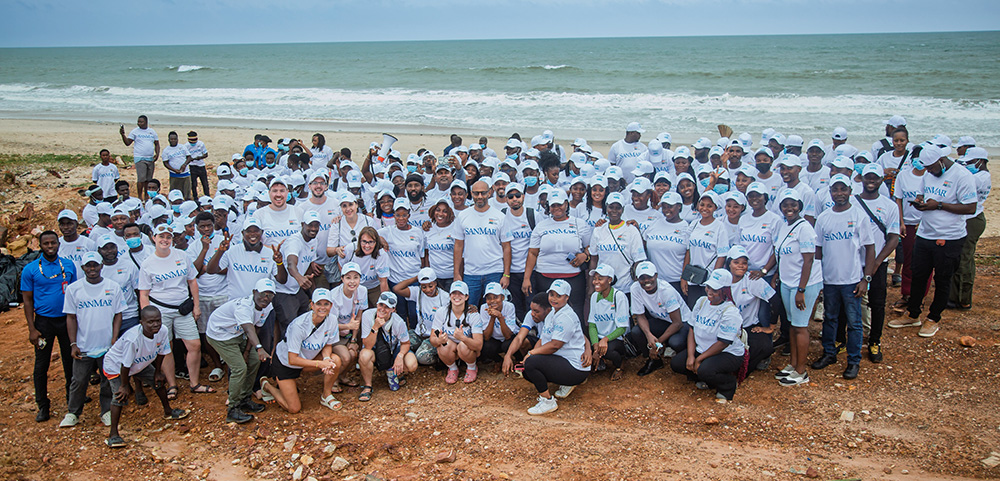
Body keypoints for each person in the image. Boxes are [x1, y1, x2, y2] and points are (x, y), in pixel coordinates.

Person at [888, 145, 977, 337]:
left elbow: (970, 207)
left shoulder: (962, 176)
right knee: (918, 274)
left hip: (949, 236)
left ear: (942, 161)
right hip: (925, 233)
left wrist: (938, 205)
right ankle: (913, 315)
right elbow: (923, 193)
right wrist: (920, 202)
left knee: (942, 279)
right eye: (925, 167)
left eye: (931, 167)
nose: (927, 171)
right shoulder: (928, 174)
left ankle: (933, 318)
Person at [811, 174, 875, 380]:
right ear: (830, 192)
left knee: (854, 323)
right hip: (829, 280)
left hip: (852, 280)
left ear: (850, 191)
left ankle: (853, 360)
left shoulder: (858, 216)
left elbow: (870, 248)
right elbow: (818, 250)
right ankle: (829, 353)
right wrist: (819, 278)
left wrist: (866, 278)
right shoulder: (823, 218)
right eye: (835, 190)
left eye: (843, 189)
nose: (839, 193)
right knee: (829, 319)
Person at [103, 306, 190, 448]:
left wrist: (157, 372)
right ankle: (113, 435)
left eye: (158, 321)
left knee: (159, 383)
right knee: (119, 396)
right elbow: (125, 365)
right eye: (150, 322)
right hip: (116, 366)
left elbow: (163, 351)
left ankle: (168, 411)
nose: (155, 324)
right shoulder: (133, 339)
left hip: (141, 362)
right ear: (141, 322)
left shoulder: (163, 331)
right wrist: (124, 385)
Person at [137, 223, 206, 399]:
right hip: (160, 311)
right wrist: (147, 317)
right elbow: (144, 293)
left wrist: (196, 305)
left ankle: (194, 382)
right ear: (154, 238)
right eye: (161, 237)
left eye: (168, 237)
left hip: (182, 308)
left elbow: (192, 281)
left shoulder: (182, 256)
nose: (165, 240)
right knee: (165, 347)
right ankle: (172, 384)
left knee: (194, 345)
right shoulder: (147, 264)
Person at [59, 252, 124, 428]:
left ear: (101, 266)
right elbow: (71, 318)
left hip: (107, 346)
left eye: (95, 265)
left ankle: (106, 412)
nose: (92, 269)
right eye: (88, 266)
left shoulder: (112, 286)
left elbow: (118, 314)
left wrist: (114, 337)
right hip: (84, 345)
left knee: (106, 380)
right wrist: (73, 344)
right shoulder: (74, 289)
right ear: (83, 268)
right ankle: (73, 413)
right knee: (78, 381)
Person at [21, 230, 78, 422]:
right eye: (46, 244)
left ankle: (72, 401)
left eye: (53, 243)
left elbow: (75, 293)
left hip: (66, 321)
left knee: (69, 362)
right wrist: (32, 328)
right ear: (40, 245)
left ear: (58, 244)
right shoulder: (30, 269)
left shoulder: (68, 266)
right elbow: (27, 300)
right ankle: (42, 405)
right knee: (41, 365)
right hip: (43, 323)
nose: (50, 247)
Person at [262, 288, 344, 413]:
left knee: (335, 360)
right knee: (293, 408)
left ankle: (326, 395)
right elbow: (292, 359)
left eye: (326, 304)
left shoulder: (331, 320)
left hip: (306, 361)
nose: (322, 308)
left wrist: (326, 359)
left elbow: (328, 344)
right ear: (312, 305)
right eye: (318, 304)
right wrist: (320, 364)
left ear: (331, 305)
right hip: (286, 364)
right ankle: (267, 386)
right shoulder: (299, 326)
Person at [670, 269, 746, 401]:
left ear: (725, 291)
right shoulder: (701, 301)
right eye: (708, 287)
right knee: (677, 364)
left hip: (726, 352)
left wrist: (699, 359)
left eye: (715, 290)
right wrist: (691, 356)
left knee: (705, 369)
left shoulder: (730, 312)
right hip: (703, 348)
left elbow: (722, 343)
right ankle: (707, 380)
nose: (709, 292)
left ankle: (727, 384)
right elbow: (692, 330)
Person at [205, 278, 274, 424]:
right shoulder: (244, 307)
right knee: (239, 368)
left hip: (236, 334)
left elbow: (256, 327)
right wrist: (259, 348)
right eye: (263, 294)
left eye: (270, 295)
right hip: (220, 335)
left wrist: (248, 351)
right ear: (254, 292)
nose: (266, 298)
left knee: (254, 360)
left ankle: (245, 399)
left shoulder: (267, 306)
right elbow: (249, 330)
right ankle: (233, 408)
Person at [772, 189, 823, 387]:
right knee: (792, 325)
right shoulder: (785, 226)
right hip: (788, 282)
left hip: (803, 285)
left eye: (793, 204)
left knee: (801, 327)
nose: (789, 208)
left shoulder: (805, 228)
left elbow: (809, 260)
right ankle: (793, 365)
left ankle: (801, 372)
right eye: (785, 205)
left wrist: (801, 290)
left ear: (800, 206)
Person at [519, 280, 590, 415]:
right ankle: (564, 383)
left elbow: (555, 345)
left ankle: (548, 401)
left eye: (559, 295)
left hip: (576, 367)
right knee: (527, 370)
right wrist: (530, 355)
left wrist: (531, 354)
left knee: (532, 363)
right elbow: (543, 339)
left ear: (567, 297)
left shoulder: (566, 316)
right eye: (552, 294)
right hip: (563, 361)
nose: (554, 298)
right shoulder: (552, 313)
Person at [854, 165, 901, 363]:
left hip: (878, 263)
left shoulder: (889, 205)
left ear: (882, 179)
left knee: (878, 303)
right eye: (867, 177)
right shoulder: (852, 202)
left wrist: (877, 262)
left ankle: (875, 341)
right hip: (853, 262)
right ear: (862, 179)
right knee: (848, 302)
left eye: (875, 177)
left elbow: (893, 237)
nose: (871, 181)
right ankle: (843, 340)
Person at [523, 190, 592, 319]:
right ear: (549, 207)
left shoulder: (579, 224)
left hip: (573, 277)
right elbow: (533, 253)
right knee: (547, 314)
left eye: (560, 204)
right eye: (553, 205)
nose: (557, 208)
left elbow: (590, 247)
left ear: (566, 204)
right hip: (545, 277)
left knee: (575, 314)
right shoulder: (541, 226)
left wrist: (584, 255)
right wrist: (527, 278)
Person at [627, 261, 689, 376]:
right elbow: (640, 315)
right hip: (663, 320)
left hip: (682, 322)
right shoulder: (635, 288)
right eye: (642, 278)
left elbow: (677, 323)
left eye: (649, 277)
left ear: (656, 275)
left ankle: (686, 357)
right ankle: (654, 360)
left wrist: (658, 343)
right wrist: (649, 335)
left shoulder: (666, 291)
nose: (646, 281)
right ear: (637, 279)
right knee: (637, 332)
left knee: (675, 342)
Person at [357, 291, 418, 402]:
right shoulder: (367, 315)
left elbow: (406, 343)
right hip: (375, 350)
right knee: (364, 354)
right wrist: (375, 327)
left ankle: (395, 371)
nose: (383, 309)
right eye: (381, 305)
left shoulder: (399, 322)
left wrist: (400, 356)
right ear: (377, 304)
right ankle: (368, 385)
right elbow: (368, 345)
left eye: (387, 307)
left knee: (411, 364)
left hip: (393, 350)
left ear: (393, 309)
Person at [454, 180, 508, 306]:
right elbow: (458, 246)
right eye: (476, 193)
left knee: (493, 309)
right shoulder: (463, 216)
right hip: (471, 274)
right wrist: (456, 273)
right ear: (470, 194)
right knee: (469, 309)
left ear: (489, 193)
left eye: (483, 193)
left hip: (494, 272)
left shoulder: (499, 217)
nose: (479, 197)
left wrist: (506, 274)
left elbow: (506, 247)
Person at [950, 147, 990, 310]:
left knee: (964, 260)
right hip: (972, 218)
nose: (967, 166)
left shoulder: (979, 178)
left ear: (980, 162)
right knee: (964, 258)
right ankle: (958, 296)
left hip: (971, 220)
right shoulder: (979, 175)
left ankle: (962, 299)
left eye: (970, 163)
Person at [725, 246, 776, 372]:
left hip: (747, 327)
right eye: (736, 262)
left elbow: (775, 301)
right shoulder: (721, 279)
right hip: (726, 327)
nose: (741, 266)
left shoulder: (752, 280)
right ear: (729, 264)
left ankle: (744, 368)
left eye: (744, 263)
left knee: (765, 347)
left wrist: (771, 327)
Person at [273, 211, 323, 338]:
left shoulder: (314, 241)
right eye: (310, 225)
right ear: (302, 225)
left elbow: (307, 266)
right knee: (290, 327)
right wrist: (299, 278)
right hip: (283, 290)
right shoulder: (294, 241)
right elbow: (291, 264)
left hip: (296, 290)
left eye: (316, 225)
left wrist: (313, 293)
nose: (313, 229)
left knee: (305, 319)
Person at [588, 192, 646, 293]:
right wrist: (591, 286)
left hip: (626, 287)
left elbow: (638, 260)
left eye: (618, 208)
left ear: (622, 209)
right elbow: (594, 260)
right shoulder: (598, 230)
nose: (614, 211)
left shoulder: (631, 230)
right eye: (611, 207)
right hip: (603, 287)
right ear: (606, 208)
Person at [681, 192, 729, 307]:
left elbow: (721, 256)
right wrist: (684, 277)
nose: (705, 208)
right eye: (702, 204)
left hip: (709, 280)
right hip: (693, 278)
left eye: (709, 206)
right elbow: (688, 251)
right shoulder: (694, 224)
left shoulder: (720, 227)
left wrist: (713, 282)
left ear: (715, 208)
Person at [430, 281, 484, 383]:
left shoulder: (473, 314)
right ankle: (452, 368)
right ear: (450, 295)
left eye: (461, 293)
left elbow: (479, 345)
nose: (457, 296)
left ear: (466, 297)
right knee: (443, 346)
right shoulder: (442, 312)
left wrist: (462, 337)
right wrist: (439, 340)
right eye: (454, 293)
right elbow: (432, 339)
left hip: (467, 347)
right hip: (450, 345)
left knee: (463, 345)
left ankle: (472, 367)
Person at [392, 267, 447, 366]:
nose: (428, 290)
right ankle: (412, 355)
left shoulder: (445, 297)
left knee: (422, 357)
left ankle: (438, 355)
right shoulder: (417, 292)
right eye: (424, 286)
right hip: (419, 333)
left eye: (431, 286)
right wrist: (416, 278)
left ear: (435, 283)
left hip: (434, 337)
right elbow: (397, 289)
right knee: (399, 343)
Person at [587, 264, 629, 380]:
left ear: (609, 280)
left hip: (616, 339)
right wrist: (595, 345)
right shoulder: (595, 296)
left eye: (600, 279)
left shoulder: (619, 296)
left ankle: (620, 365)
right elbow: (592, 325)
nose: (596, 282)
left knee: (608, 350)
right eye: (595, 278)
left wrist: (605, 339)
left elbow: (622, 328)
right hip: (600, 338)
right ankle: (600, 359)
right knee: (586, 347)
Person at [329, 262, 367, 391]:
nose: (352, 281)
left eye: (356, 277)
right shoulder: (334, 296)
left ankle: (342, 377)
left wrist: (354, 339)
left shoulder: (362, 291)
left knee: (353, 353)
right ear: (342, 279)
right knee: (345, 357)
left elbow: (359, 316)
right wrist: (347, 326)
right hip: (334, 334)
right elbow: (329, 325)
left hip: (350, 332)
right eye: (348, 277)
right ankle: (332, 380)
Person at [642, 192, 689, 294]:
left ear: (679, 206)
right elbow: (643, 244)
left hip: (676, 282)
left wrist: (684, 278)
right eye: (664, 207)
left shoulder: (687, 228)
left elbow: (689, 254)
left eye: (670, 206)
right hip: (655, 281)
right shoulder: (655, 223)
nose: (666, 210)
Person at [119, 115, 160, 201]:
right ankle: (140, 196)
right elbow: (127, 143)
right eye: (138, 122)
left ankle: (146, 195)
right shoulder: (135, 131)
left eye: (141, 122)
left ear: (146, 122)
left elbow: (157, 143)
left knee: (149, 179)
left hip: (150, 158)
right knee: (141, 178)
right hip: (140, 158)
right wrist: (123, 135)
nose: (139, 123)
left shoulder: (152, 132)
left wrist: (157, 154)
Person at [478, 282, 518, 364]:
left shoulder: (509, 306)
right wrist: (492, 317)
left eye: (496, 297)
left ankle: (517, 360)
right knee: (486, 346)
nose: (492, 301)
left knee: (508, 344)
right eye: (489, 298)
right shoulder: (484, 308)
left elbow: (508, 336)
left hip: (507, 338)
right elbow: (487, 337)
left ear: (502, 297)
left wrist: (500, 317)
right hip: (494, 339)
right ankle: (498, 361)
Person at [424, 198, 460, 288]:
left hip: (451, 277)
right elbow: (426, 254)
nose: (440, 214)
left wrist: (458, 275)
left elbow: (460, 255)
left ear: (450, 213)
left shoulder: (455, 228)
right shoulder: (428, 229)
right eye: (438, 210)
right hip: (434, 277)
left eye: (445, 211)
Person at [161, 131, 194, 200]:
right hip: (174, 175)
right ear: (168, 140)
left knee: (187, 194)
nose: (173, 141)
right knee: (175, 194)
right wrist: (174, 170)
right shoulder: (166, 150)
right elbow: (165, 163)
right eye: (171, 139)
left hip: (185, 174)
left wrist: (184, 165)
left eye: (174, 139)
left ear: (177, 139)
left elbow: (189, 157)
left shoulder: (182, 147)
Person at [185, 131, 210, 199]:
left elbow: (205, 154)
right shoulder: (186, 146)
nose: (193, 142)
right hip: (192, 166)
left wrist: (198, 157)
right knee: (193, 184)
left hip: (201, 165)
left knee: (205, 183)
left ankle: (207, 197)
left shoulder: (200, 144)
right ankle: (195, 197)